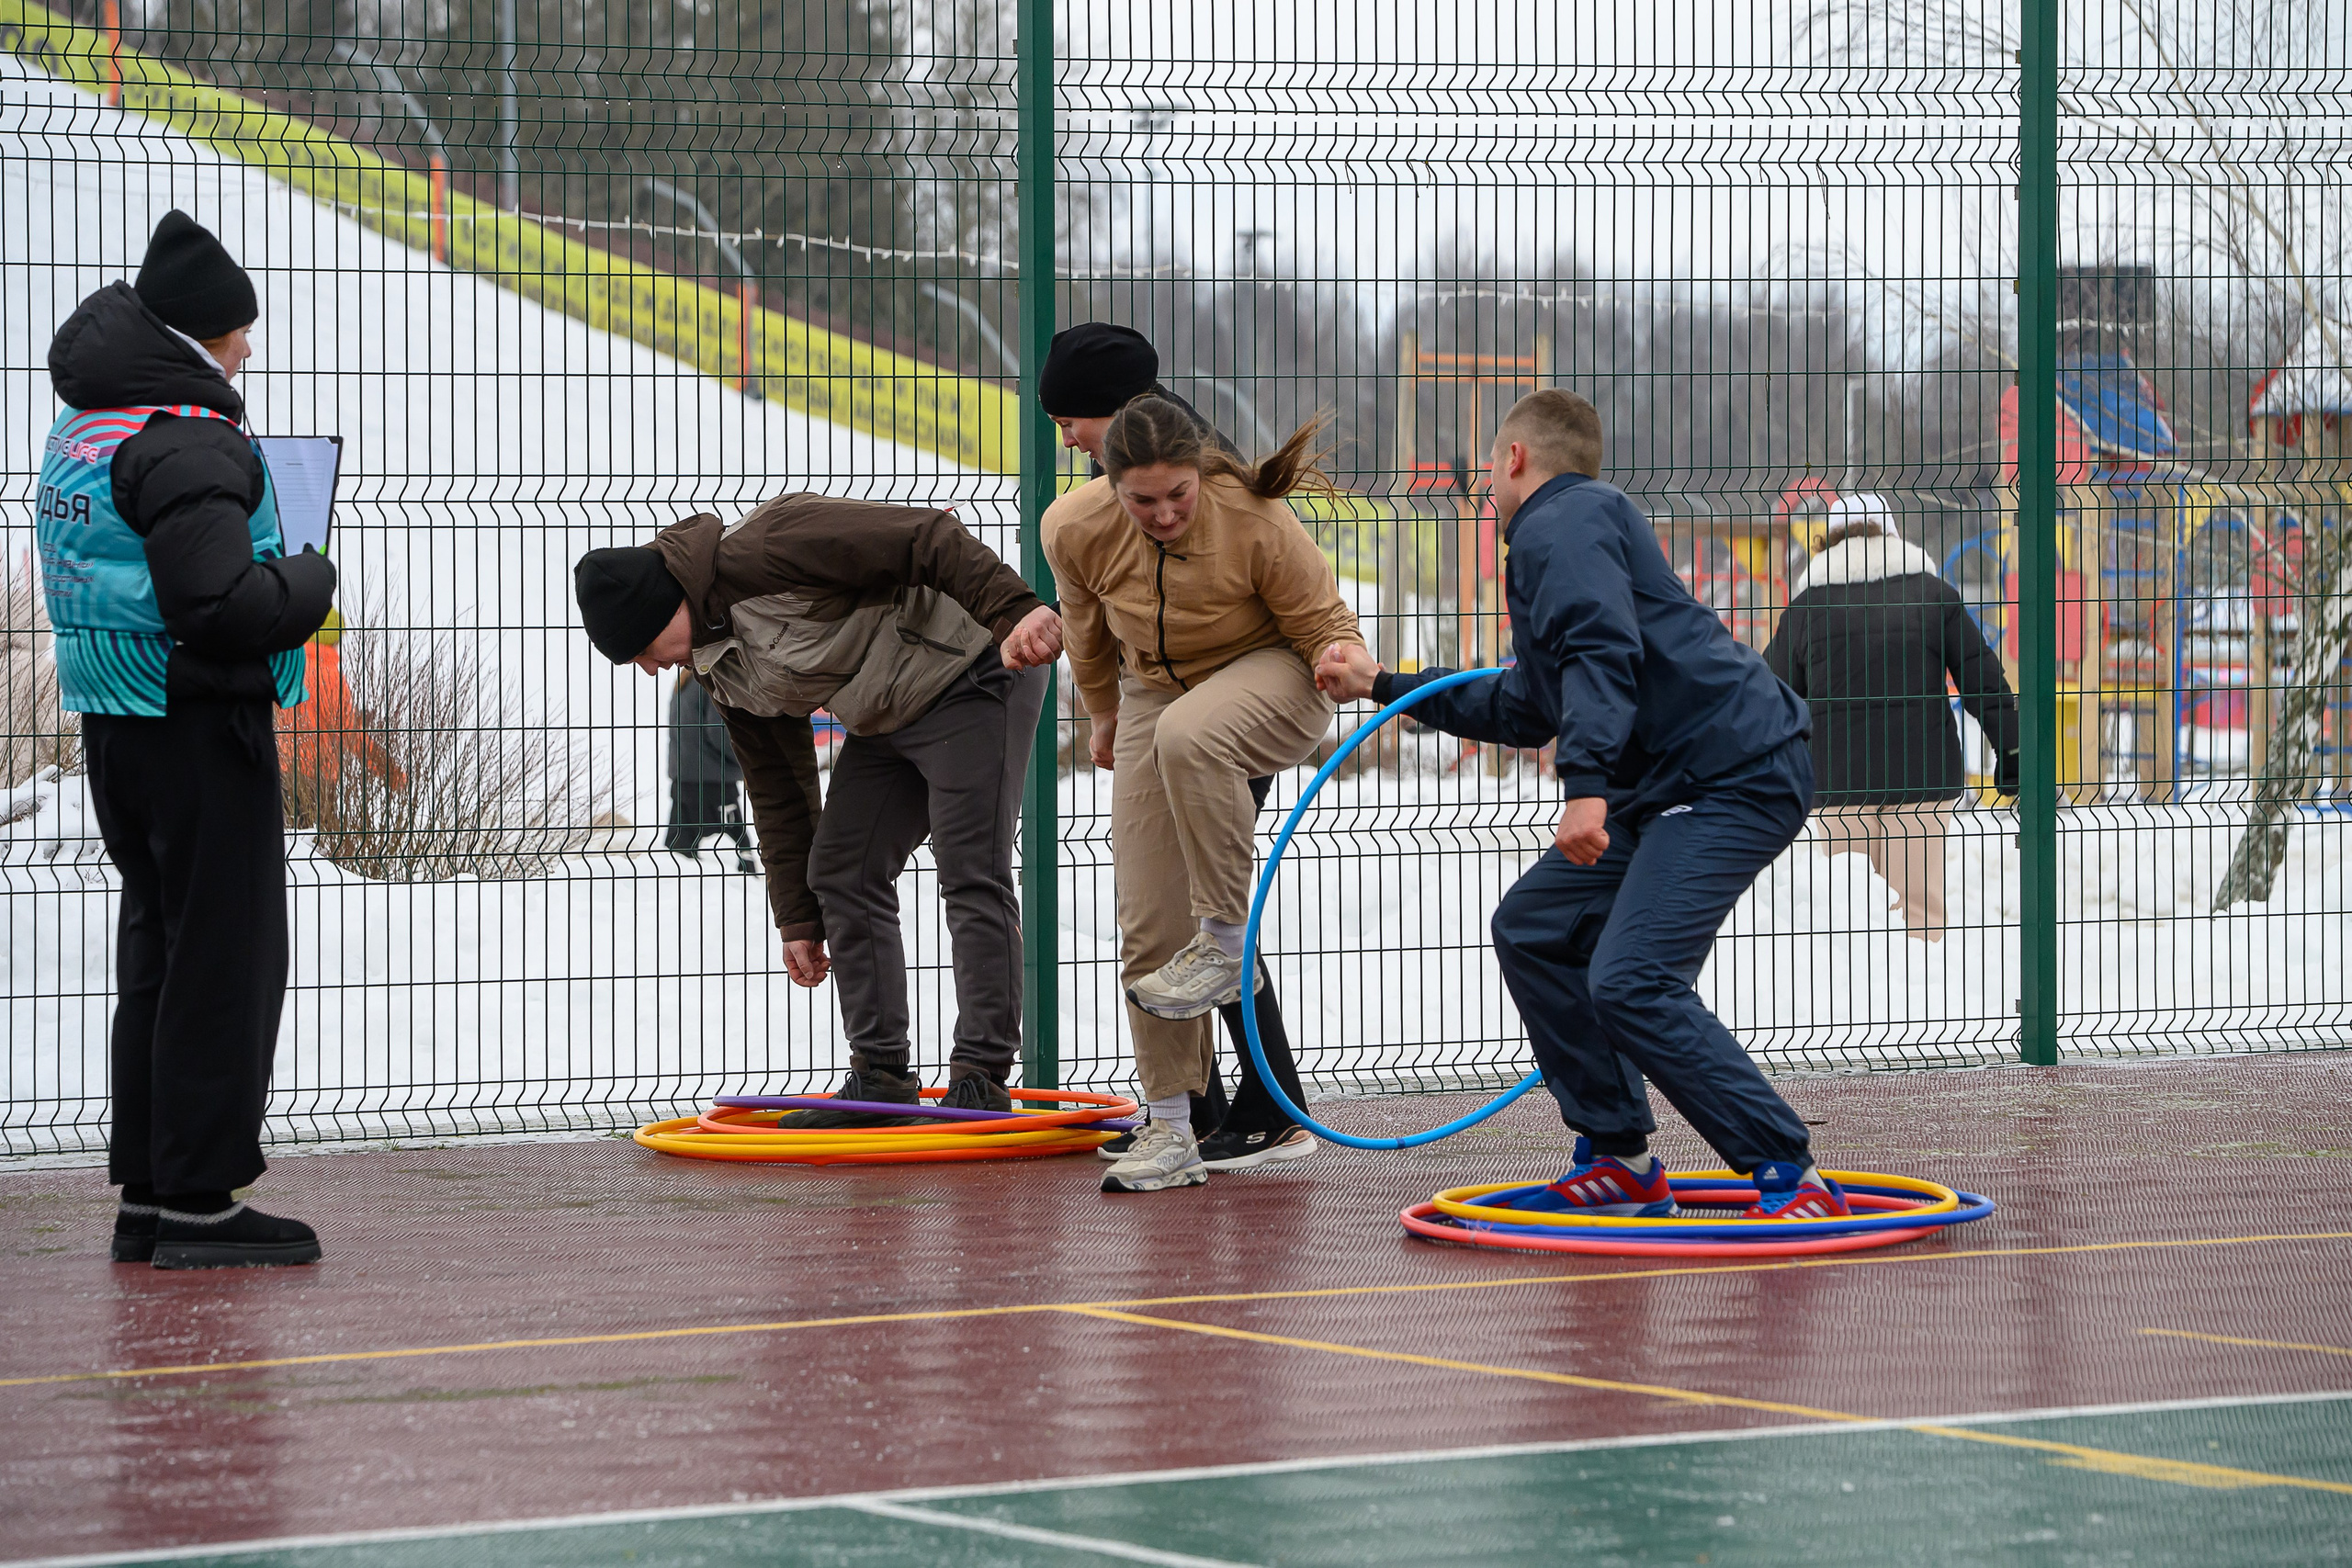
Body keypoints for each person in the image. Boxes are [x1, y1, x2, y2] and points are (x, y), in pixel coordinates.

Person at [1318, 389, 1849, 1220]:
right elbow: (1528, 703)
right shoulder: (1568, 536)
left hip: (1729, 773)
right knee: (1535, 926)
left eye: (1490, 468)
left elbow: (1603, 649)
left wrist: (1587, 789)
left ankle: (1787, 1170)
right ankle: (1621, 1155)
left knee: (1634, 980)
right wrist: (1384, 685)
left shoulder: (1559, 523)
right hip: (1675, 783)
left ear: (1516, 459)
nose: (1486, 487)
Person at [38, 210, 338, 1267]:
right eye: (235, 333)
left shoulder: (90, 426)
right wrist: (311, 577)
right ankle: (205, 1203)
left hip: (118, 722)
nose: (247, 349)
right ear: (195, 336)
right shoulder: (188, 439)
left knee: (159, 954)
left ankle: (153, 1195)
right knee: (224, 958)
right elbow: (221, 607)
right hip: (201, 722)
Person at [573, 496, 1063, 1122]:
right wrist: (799, 918)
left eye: (641, 648)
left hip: (974, 668)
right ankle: (881, 1077)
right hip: (887, 710)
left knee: (970, 865)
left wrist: (1014, 610)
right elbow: (777, 783)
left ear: (662, 608)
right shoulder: (717, 664)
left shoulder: (768, 547)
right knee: (842, 867)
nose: (647, 668)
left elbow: (925, 533)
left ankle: (979, 1076)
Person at [1044, 394, 1365, 1193]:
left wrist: (1343, 658)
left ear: (1200, 473)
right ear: (1110, 485)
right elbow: (1085, 631)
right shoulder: (1072, 528)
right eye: (1141, 500)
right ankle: (1172, 1126)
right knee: (1147, 920)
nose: (1163, 514)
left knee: (1194, 733)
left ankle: (1223, 945)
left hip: (1282, 673)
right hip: (1155, 690)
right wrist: (1104, 716)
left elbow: (1326, 618)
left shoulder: (1252, 516)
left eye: (1177, 495)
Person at [1763, 494, 2020, 941]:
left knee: (1849, 915)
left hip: (1839, 781)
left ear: (1829, 540)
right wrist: (2012, 748)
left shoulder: (1808, 607)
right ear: (1892, 533)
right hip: (1922, 775)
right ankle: (1924, 999)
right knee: (1921, 913)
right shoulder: (1932, 594)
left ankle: (1854, 1004)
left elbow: (1770, 698)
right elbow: (1983, 678)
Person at [664, 669, 755, 873]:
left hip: (685, 777)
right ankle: (749, 886)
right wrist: (744, 760)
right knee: (741, 845)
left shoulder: (683, 682)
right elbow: (718, 732)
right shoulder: (712, 681)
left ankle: (678, 892)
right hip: (713, 778)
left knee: (679, 850)